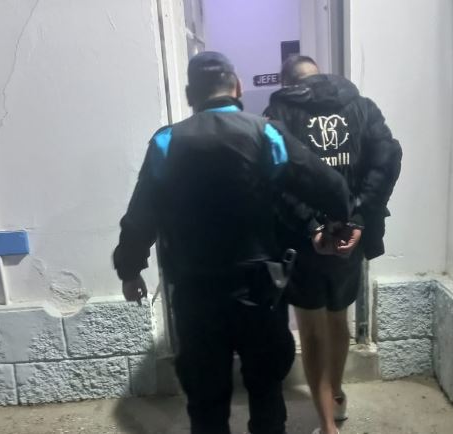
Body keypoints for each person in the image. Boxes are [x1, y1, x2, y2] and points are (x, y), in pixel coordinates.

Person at [113, 51, 352, 434]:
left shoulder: (166, 142)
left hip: (195, 297)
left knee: (206, 404)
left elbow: (140, 218)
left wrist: (129, 270)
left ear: (190, 94)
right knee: (266, 394)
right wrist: (337, 225)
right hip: (260, 293)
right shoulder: (266, 134)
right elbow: (331, 188)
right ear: (238, 87)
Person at [264, 55, 402, 434]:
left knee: (310, 330)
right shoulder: (362, 106)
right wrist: (357, 218)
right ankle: (336, 393)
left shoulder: (277, 113)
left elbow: (274, 178)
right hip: (349, 239)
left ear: (287, 82)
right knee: (339, 320)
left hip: (302, 240)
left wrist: (312, 226)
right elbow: (387, 159)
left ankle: (326, 424)